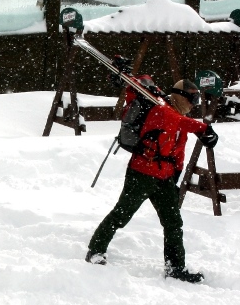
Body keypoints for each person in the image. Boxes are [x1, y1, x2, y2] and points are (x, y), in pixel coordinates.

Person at [86, 79, 217, 283]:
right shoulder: (161, 110)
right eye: (192, 98)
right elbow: (175, 120)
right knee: (122, 214)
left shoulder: (180, 118)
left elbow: (179, 151)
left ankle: (175, 268)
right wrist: (202, 128)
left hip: (164, 177)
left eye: (197, 99)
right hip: (142, 173)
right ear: (180, 96)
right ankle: (95, 250)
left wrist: (175, 175)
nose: (194, 104)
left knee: (173, 223)